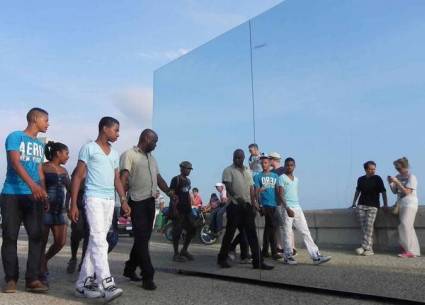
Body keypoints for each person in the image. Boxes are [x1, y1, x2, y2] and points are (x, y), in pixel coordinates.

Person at [69, 117, 131, 302]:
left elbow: (117, 180)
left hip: (109, 200)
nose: (118, 134)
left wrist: (123, 200)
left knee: (97, 241)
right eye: (116, 130)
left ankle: (83, 285)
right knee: (98, 240)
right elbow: (78, 176)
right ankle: (107, 283)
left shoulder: (114, 154)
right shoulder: (89, 148)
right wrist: (73, 204)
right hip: (93, 198)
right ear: (105, 129)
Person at [1, 107, 49, 293]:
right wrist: (32, 186)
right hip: (12, 194)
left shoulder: (40, 143)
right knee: (10, 236)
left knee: (37, 236)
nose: (48, 123)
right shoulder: (15, 137)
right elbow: (15, 162)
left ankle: (32, 279)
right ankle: (11, 279)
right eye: (45, 120)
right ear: (35, 119)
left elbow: (38, 169)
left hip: (34, 196)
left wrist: (42, 192)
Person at [120, 129, 175, 290]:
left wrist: (170, 192)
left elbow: (158, 178)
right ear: (146, 138)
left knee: (142, 239)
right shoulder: (129, 155)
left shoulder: (152, 159)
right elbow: (123, 178)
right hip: (136, 202)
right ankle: (148, 275)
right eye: (154, 141)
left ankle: (130, 269)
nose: (156, 145)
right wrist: (123, 202)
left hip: (150, 202)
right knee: (142, 240)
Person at [217, 149, 273, 270]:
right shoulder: (228, 170)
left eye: (239, 157)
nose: (237, 159)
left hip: (247, 206)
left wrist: (255, 204)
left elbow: (251, 187)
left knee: (252, 234)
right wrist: (237, 198)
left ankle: (258, 262)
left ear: (243, 158)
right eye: (235, 157)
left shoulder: (248, 170)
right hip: (235, 206)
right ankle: (222, 258)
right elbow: (228, 186)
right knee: (229, 234)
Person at [280, 157, 331, 265]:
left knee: (305, 231)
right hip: (287, 208)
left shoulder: (296, 179)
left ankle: (316, 256)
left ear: (294, 166)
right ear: (285, 166)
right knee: (288, 233)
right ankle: (288, 256)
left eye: (291, 165)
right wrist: (287, 208)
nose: (289, 167)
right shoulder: (282, 178)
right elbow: (280, 194)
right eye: (287, 165)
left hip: (297, 207)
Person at [40, 141, 71, 285]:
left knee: (61, 242)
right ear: (58, 153)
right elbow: (40, 185)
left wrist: (71, 206)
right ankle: (40, 270)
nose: (68, 156)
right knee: (42, 242)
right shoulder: (44, 167)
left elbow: (71, 190)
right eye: (66, 153)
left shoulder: (64, 171)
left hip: (61, 211)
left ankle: (45, 259)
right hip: (45, 209)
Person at [351, 161, 388, 256]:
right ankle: (366, 247)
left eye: (374, 169)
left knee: (369, 226)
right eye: (370, 169)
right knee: (363, 227)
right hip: (361, 205)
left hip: (373, 205)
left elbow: (383, 191)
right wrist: (353, 203)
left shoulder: (377, 179)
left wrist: (385, 204)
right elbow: (358, 191)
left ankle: (367, 248)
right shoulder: (361, 179)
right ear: (366, 169)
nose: (372, 171)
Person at [388, 157, 420, 258]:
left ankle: (410, 250)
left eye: (398, 167)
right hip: (401, 203)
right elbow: (395, 191)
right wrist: (390, 183)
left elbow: (407, 192)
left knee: (405, 225)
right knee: (406, 226)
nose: (397, 169)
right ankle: (411, 250)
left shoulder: (412, 177)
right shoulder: (398, 176)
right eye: (396, 167)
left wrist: (397, 182)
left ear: (404, 166)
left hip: (410, 203)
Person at [254, 155, 284, 260]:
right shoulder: (257, 176)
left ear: (269, 164)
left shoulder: (275, 176)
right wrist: (259, 204)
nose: (264, 165)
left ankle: (265, 251)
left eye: (266, 163)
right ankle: (274, 251)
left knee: (269, 227)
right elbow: (256, 192)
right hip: (265, 204)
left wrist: (280, 202)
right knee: (271, 226)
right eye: (262, 163)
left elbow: (278, 190)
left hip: (274, 204)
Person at [170, 161, 197, 262]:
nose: (189, 170)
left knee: (193, 228)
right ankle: (176, 254)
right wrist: (174, 209)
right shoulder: (176, 179)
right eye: (187, 168)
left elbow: (187, 195)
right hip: (178, 210)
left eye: (190, 169)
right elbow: (172, 195)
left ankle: (184, 250)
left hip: (187, 210)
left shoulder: (188, 181)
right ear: (182, 168)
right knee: (177, 231)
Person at [66, 170, 89, 274]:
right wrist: (68, 205)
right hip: (79, 206)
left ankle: (84, 262)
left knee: (89, 236)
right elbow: (70, 189)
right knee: (76, 233)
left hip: (91, 206)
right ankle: (73, 258)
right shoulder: (80, 167)